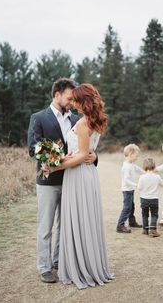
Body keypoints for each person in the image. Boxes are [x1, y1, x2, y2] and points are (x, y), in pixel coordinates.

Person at [27, 78, 96, 283]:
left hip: (72, 180)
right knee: (45, 225)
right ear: (56, 95)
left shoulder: (77, 119)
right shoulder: (38, 117)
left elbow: (85, 148)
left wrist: (95, 157)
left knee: (65, 224)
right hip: (48, 180)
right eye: (68, 97)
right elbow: (33, 148)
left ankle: (59, 260)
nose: (71, 101)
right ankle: (44, 267)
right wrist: (57, 158)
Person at [45, 83, 113, 289]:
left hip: (79, 175)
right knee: (83, 218)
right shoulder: (93, 121)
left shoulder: (84, 124)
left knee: (80, 217)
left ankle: (83, 266)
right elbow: (85, 152)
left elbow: (84, 154)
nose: (72, 104)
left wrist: (55, 167)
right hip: (85, 173)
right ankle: (88, 262)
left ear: (84, 101)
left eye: (75, 100)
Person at [137, 158, 163, 237]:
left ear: (144, 166)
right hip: (154, 199)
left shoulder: (142, 177)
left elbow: (139, 188)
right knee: (154, 214)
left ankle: (145, 229)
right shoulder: (157, 177)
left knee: (145, 214)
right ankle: (153, 228)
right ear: (154, 166)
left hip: (144, 199)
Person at [116, 144, 144, 233]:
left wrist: (146, 173)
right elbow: (126, 180)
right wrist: (135, 185)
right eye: (136, 156)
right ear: (130, 154)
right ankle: (120, 225)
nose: (137, 158)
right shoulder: (126, 167)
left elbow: (138, 169)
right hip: (127, 190)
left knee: (132, 206)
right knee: (127, 207)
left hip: (130, 189)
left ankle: (132, 222)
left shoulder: (131, 164)